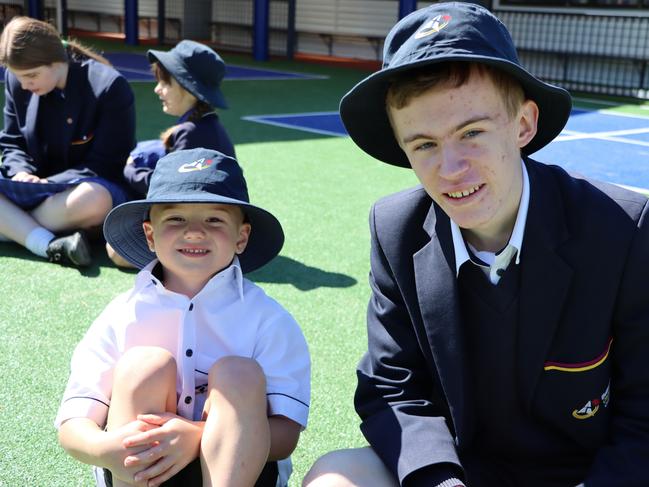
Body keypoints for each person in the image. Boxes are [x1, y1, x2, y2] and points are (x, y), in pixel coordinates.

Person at [304, 3, 649, 487]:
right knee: (335, 477)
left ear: (524, 125)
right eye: (423, 144)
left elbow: (644, 415)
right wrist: (440, 481)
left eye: (472, 133)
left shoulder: (623, 228)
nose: (450, 168)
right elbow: (392, 385)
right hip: (460, 470)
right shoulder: (396, 229)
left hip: (583, 474)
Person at [56, 148, 310, 487]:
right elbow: (74, 424)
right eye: (175, 219)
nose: (194, 232)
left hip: (242, 470)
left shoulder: (269, 320)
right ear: (150, 234)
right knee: (144, 365)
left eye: (214, 220)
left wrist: (193, 436)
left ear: (242, 237)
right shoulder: (122, 315)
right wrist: (104, 447)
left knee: (239, 373)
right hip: (141, 468)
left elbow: (285, 436)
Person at [0, 16, 136, 267]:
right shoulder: (17, 82)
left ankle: (12, 227)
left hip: (78, 193)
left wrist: (46, 183)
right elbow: (12, 142)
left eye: (31, 75)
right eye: (18, 77)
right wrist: (21, 172)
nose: (24, 85)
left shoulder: (108, 87)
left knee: (94, 199)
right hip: (33, 190)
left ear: (56, 61)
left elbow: (107, 164)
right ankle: (46, 244)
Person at [106, 39, 235, 267]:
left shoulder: (191, 132)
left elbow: (173, 191)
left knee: (115, 250)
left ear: (187, 88)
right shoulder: (203, 125)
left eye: (165, 83)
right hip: (207, 221)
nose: (157, 89)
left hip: (197, 225)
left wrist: (131, 170)